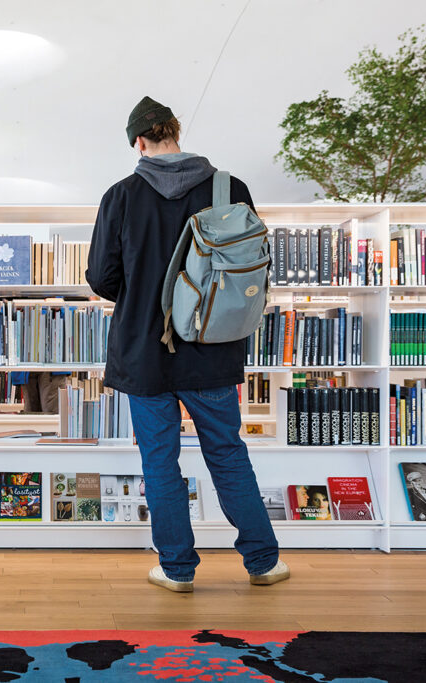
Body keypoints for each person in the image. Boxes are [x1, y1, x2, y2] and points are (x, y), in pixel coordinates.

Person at [86, 96, 288, 592]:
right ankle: (262, 563)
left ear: (139, 141)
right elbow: (253, 270)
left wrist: (144, 297)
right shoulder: (230, 188)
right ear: (176, 131)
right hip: (213, 349)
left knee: (160, 462)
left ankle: (177, 570)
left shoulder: (122, 194)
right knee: (227, 452)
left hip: (145, 351)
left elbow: (100, 277)